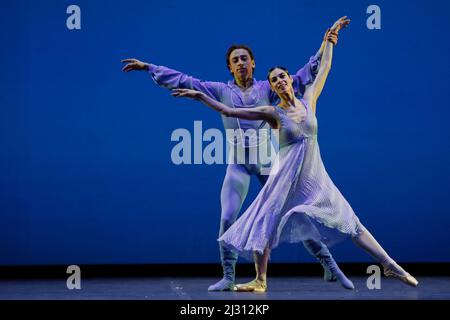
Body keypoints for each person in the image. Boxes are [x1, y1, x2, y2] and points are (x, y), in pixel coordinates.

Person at [171, 16, 419, 292]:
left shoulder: (309, 99)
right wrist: (199, 97)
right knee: (262, 221)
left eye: (282, 77)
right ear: (272, 88)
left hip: (315, 178)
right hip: (283, 177)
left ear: (291, 79)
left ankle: (388, 264)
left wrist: (329, 39)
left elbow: (323, 66)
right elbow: (228, 111)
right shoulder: (272, 112)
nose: (278, 82)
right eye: (273, 80)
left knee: (351, 222)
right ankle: (259, 279)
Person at [121, 22, 352, 291]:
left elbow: (303, 75)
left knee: (295, 214)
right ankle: (229, 276)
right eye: (235, 60)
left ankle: (329, 265)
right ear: (230, 68)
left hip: (269, 165)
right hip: (239, 166)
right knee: (228, 216)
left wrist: (326, 44)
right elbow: (185, 80)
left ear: (253, 63)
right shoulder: (221, 90)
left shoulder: (268, 88)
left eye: (245, 58)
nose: (240, 63)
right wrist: (149, 67)